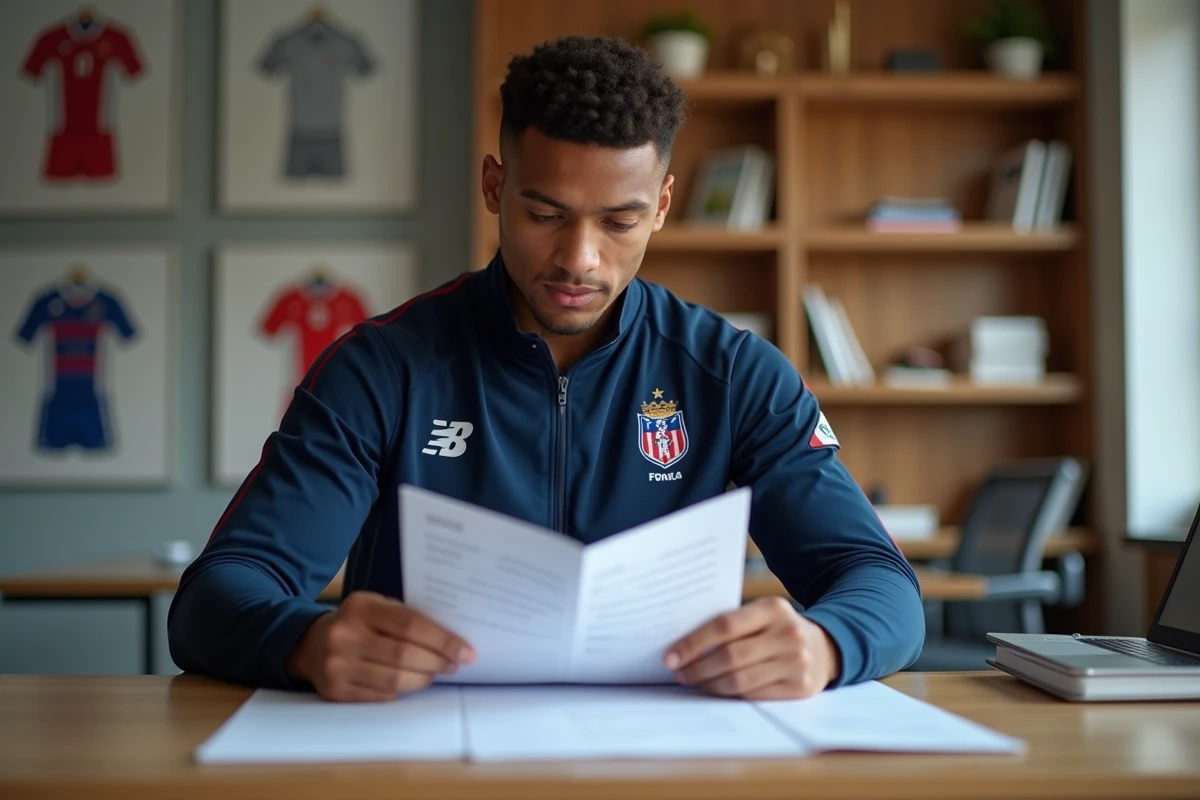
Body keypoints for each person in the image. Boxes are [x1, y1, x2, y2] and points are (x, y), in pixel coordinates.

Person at [169, 34, 924, 702]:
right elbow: (215, 599)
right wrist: (303, 643)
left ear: (662, 206)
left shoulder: (735, 376)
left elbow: (882, 587)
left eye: (619, 222)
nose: (578, 259)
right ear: (495, 186)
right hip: (420, 760)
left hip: (665, 761)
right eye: (545, 214)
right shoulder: (380, 368)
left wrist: (826, 646)